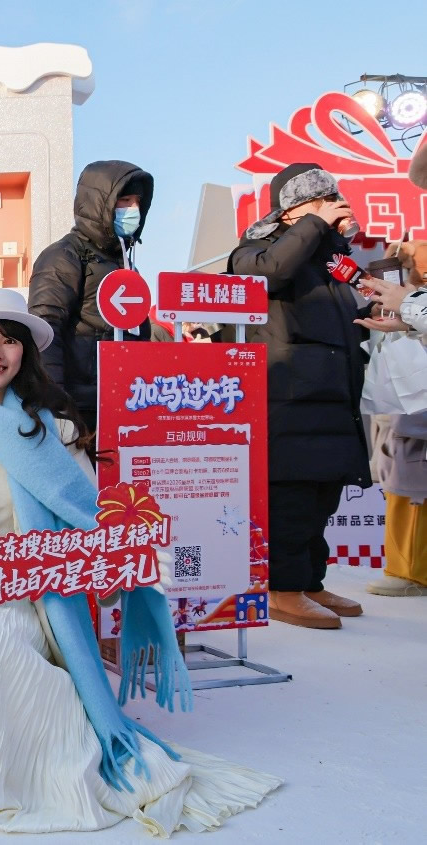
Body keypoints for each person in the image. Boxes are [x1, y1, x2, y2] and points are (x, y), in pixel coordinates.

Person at [0, 289, 280, 836]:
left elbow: (87, 521)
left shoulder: (55, 429)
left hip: (35, 594)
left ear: (25, 352)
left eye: (9, 341)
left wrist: (125, 556)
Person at [229, 162, 370, 629]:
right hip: (289, 402)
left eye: (333, 200)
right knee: (291, 498)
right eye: (321, 201)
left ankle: (311, 581)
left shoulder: (330, 261)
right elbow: (266, 274)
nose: (332, 209)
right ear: (291, 211)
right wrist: (313, 225)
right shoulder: (257, 248)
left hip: (334, 399)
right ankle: (282, 588)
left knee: (323, 497)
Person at [28, 160, 155, 433]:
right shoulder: (64, 255)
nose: (133, 209)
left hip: (124, 405)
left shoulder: (126, 265)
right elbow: (44, 331)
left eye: (137, 202)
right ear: (100, 204)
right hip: (80, 411)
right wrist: (56, 408)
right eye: (125, 201)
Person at [356, 240, 427, 596]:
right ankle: (406, 571)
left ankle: (410, 573)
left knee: (410, 490)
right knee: (405, 488)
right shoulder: (405, 302)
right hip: (406, 413)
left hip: (413, 414)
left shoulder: (411, 300)